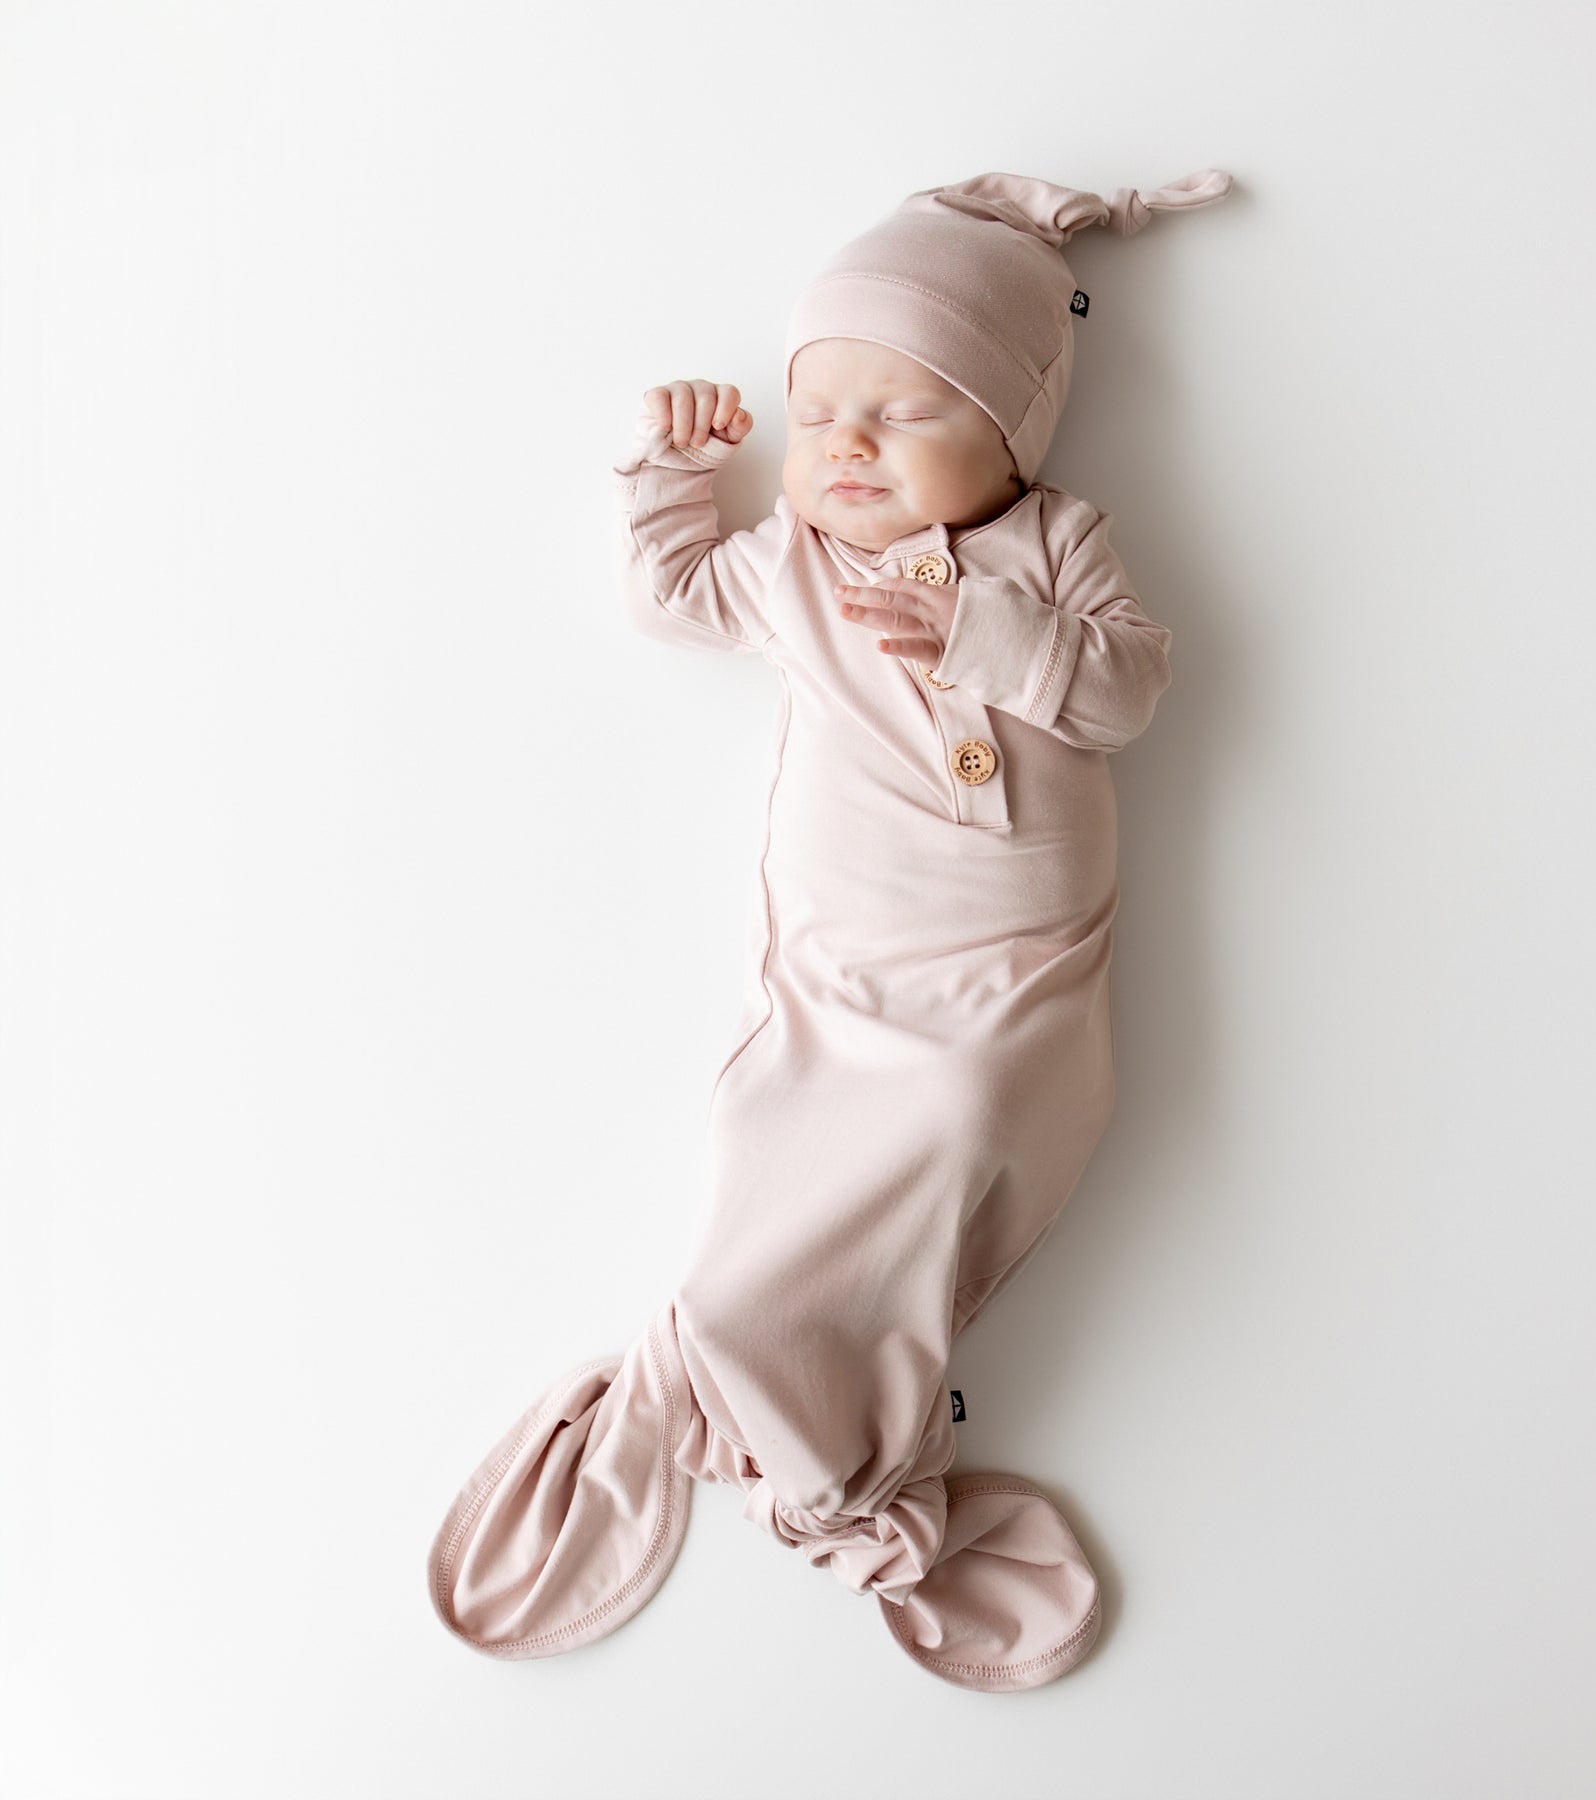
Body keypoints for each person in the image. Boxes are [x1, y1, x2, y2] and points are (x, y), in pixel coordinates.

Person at [426, 168, 1232, 1692]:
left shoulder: (1056, 547)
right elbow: (670, 592)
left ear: (1012, 436)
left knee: (971, 1126)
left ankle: (801, 1400)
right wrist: (666, 469)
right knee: (781, 1158)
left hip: (1018, 981)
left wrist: (989, 634)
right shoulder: (799, 565)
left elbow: (1130, 689)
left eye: (902, 415)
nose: (848, 450)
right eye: (823, 419)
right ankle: (759, 1379)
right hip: (841, 973)